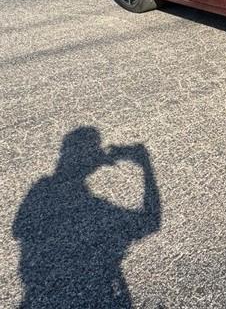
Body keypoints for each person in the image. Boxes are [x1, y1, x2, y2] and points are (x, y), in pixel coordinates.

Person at [12, 127, 161, 308]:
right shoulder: (92, 206)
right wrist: (145, 163)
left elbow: (19, 230)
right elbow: (151, 222)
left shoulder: (41, 189)